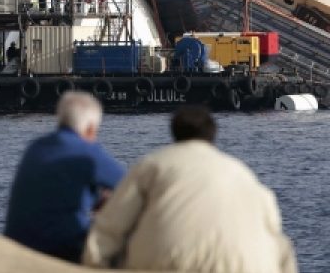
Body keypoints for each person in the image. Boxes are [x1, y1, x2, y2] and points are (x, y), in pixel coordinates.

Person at [82, 105, 297, 272]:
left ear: (174, 133)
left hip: (167, 262)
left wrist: (93, 262)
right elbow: (276, 235)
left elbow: (113, 224)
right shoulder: (243, 173)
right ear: (213, 134)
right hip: (247, 265)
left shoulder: (153, 165)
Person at [4, 92, 125, 263]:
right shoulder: (87, 152)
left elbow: (56, 191)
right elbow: (131, 184)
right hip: (61, 248)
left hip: (17, 245)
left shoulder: (35, 147)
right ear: (90, 128)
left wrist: (96, 198)